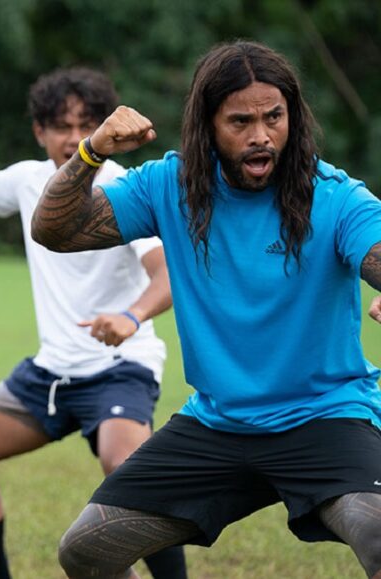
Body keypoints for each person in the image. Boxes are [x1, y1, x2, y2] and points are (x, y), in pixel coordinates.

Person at [31, 41, 381, 579]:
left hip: (325, 416)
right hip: (218, 424)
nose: (261, 135)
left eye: (274, 117)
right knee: (87, 549)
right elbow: (54, 230)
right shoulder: (168, 187)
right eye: (240, 121)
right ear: (207, 126)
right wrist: (92, 150)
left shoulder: (334, 197)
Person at [0, 69, 187, 579]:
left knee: (128, 470)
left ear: (106, 129)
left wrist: (130, 316)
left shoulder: (121, 188)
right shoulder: (30, 180)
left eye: (86, 124)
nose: (73, 138)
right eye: (60, 125)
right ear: (39, 132)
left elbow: (166, 275)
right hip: (52, 373)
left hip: (120, 366)